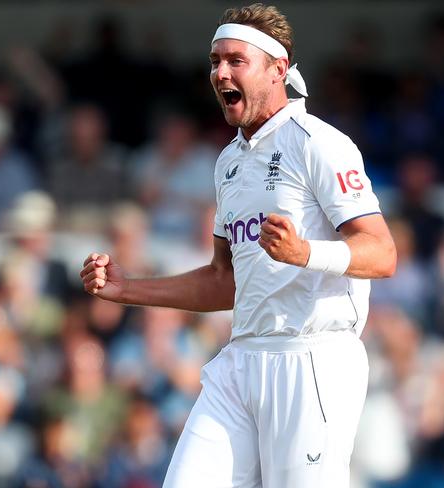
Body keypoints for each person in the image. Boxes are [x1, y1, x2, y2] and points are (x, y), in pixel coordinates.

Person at [80, 4, 396, 487]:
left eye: (234, 60)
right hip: (242, 358)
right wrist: (128, 289)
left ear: (278, 70)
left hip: (312, 358)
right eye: (214, 61)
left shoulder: (319, 144)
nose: (219, 72)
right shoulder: (228, 161)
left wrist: (305, 253)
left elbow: (382, 253)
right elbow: (223, 280)